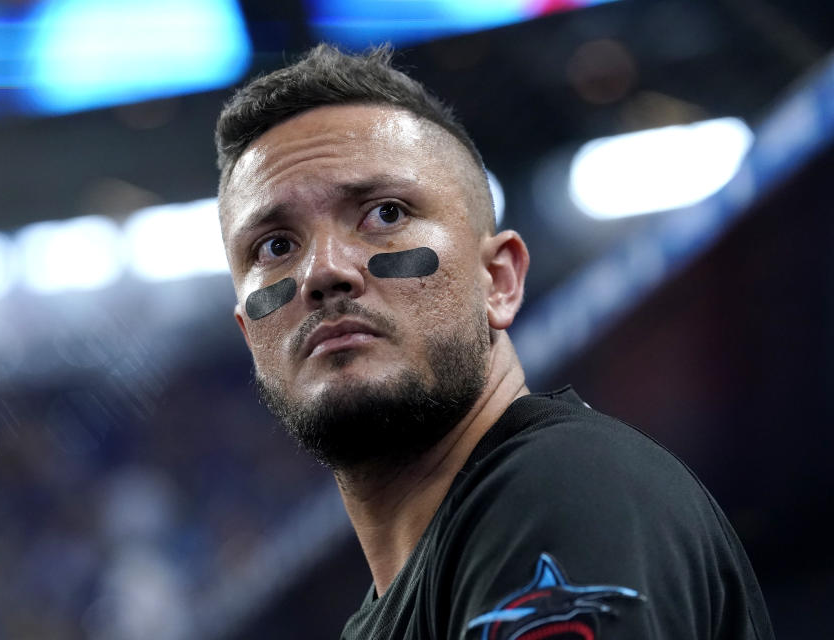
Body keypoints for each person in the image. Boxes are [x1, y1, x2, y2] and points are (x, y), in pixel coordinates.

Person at [214, 44, 775, 640]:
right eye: (275, 246)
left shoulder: (560, 486)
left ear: (499, 281)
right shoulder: (388, 612)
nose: (323, 271)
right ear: (251, 336)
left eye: (384, 213)